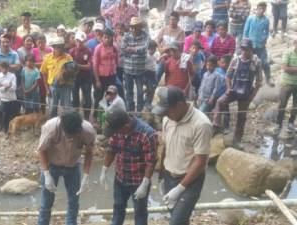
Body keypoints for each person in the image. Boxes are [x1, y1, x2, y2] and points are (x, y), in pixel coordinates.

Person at [152, 85, 212, 225]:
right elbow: (166, 147)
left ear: (179, 105)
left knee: (176, 222)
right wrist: (161, 176)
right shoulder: (168, 119)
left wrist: (179, 188)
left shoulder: (201, 124)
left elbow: (200, 162)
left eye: (167, 111)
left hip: (190, 180)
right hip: (169, 175)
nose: (164, 115)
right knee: (178, 217)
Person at [99, 109, 158, 225]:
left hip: (139, 182)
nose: (116, 133)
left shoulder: (147, 133)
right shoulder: (117, 129)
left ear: (126, 125)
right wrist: (104, 170)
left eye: (117, 130)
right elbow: (112, 150)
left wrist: (145, 183)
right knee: (118, 209)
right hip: (120, 178)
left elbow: (151, 161)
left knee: (140, 212)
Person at [37, 111, 96, 225]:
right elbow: (42, 150)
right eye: (68, 135)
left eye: (73, 135)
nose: (70, 138)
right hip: (52, 165)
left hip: (73, 166)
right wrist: (46, 174)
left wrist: (86, 175)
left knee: (74, 202)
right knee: (46, 203)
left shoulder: (88, 131)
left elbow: (89, 152)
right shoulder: (51, 127)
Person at [213, 39, 262, 149]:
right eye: (243, 49)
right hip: (234, 90)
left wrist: (251, 97)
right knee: (220, 101)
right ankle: (216, 125)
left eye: (246, 49)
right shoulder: (236, 59)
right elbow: (228, 75)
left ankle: (237, 140)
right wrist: (229, 88)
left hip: (246, 92)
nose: (244, 52)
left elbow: (259, 82)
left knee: (241, 116)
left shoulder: (256, 62)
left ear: (251, 49)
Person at [121, 17, 149, 114]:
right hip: (128, 69)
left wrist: (132, 49)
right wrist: (137, 49)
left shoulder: (145, 35)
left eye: (135, 27)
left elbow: (145, 48)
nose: (133, 29)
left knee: (140, 92)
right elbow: (123, 48)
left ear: (140, 27)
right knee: (129, 92)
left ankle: (140, 111)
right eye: (132, 27)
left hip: (140, 70)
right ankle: (130, 111)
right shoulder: (126, 36)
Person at [40, 36, 73, 118]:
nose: (59, 49)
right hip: (52, 86)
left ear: (63, 47)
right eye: (57, 46)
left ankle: (66, 127)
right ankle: (53, 126)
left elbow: (73, 72)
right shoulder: (47, 58)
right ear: (53, 47)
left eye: (61, 46)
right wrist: (47, 89)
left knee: (66, 108)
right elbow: (44, 73)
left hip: (66, 86)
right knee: (52, 109)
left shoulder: (68, 57)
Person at [243, 2, 272, 86]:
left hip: (260, 45)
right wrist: (245, 42)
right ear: (256, 9)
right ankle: (250, 79)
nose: (261, 10)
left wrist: (264, 39)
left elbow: (266, 31)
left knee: (264, 62)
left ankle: (268, 78)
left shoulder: (266, 20)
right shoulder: (250, 18)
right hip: (250, 45)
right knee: (249, 62)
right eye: (260, 8)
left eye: (263, 9)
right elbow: (246, 31)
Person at [93, 28, 120, 120]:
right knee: (99, 97)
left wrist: (114, 70)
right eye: (105, 37)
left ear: (112, 38)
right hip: (101, 76)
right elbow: (95, 65)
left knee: (110, 96)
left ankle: (108, 116)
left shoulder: (115, 47)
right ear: (102, 37)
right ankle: (96, 117)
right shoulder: (98, 48)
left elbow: (116, 60)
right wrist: (97, 80)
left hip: (111, 75)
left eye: (109, 38)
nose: (106, 40)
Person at [69, 31, 92, 120]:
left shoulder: (88, 51)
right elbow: (68, 65)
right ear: (75, 41)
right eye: (77, 41)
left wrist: (77, 66)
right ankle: (76, 117)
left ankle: (86, 117)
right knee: (75, 98)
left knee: (87, 99)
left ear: (84, 42)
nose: (79, 43)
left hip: (86, 78)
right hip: (75, 78)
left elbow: (89, 66)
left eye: (81, 41)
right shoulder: (71, 51)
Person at [275, 39, 297, 132]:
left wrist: (292, 69)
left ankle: (291, 123)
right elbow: (284, 68)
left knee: (295, 105)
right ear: (294, 44)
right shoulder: (288, 53)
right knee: (282, 104)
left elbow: (288, 68)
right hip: (286, 83)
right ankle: (278, 124)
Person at [33, 34, 52, 114]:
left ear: (45, 42)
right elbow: (33, 63)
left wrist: (41, 64)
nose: (41, 44)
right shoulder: (34, 50)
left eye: (43, 42)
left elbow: (51, 62)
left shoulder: (50, 50)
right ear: (37, 43)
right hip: (37, 75)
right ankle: (40, 111)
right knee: (40, 93)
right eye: (39, 42)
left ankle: (48, 111)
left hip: (48, 74)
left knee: (48, 92)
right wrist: (44, 63)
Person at [0, 62, 17, 134]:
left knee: (12, 114)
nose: (4, 70)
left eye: (6, 68)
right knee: (5, 114)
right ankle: (5, 128)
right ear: (0, 68)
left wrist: (2, 85)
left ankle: (13, 128)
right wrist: (7, 86)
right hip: (3, 98)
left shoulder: (12, 75)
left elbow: (14, 87)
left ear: (8, 68)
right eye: (2, 68)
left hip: (12, 98)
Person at [145, 40, 159, 108]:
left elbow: (156, 61)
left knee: (154, 86)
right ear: (148, 48)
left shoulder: (154, 55)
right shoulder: (146, 56)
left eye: (155, 49)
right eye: (152, 49)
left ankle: (148, 99)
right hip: (148, 73)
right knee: (150, 88)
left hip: (153, 73)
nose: (154, 50)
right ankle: (148, 102)